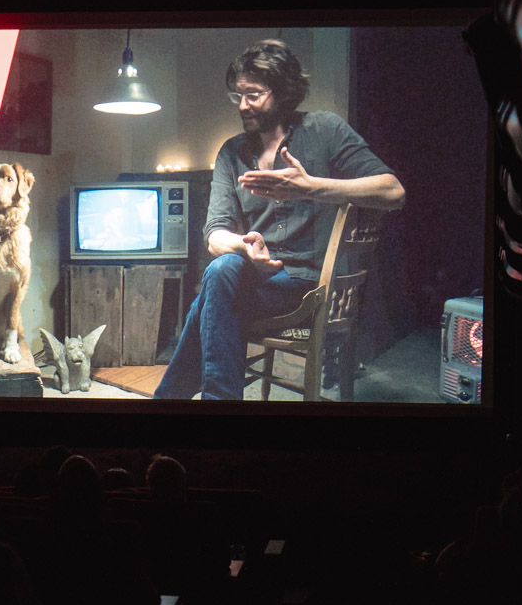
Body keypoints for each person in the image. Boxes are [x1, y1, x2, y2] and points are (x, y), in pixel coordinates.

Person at [153, 40, 405, 400]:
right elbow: (215, 235)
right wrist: (244, 247)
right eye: (238, 95)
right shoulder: (231, 152)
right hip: (258, 281)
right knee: (222, 269)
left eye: (253, 95)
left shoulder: (325, 129)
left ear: (284, 92)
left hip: (313, 284)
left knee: (213, 294)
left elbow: (394, 192)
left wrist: (311, 187)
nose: (242, 105)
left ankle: (171, 402)